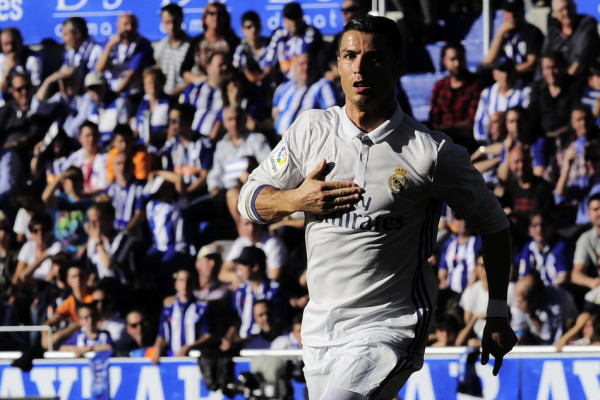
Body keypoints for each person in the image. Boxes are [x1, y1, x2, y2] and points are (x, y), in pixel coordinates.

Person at [237, 15, 517, 399]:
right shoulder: (310, 130)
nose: (360, 68)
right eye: (350, 56)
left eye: (374, 58)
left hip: (390, 326)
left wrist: (497, 310)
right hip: (320, 329)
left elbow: (494, 223)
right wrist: (297, 199)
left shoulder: (429, 152)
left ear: (398, 66)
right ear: (337, 64)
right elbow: (249, 200)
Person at [151, 268, 216, 364]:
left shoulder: (202, 308)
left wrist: (188, 347)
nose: (185, 284)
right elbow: (162, 335)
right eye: (181, 280)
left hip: (196, 359)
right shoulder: (168, 309)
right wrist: (157, 348)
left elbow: (209, 336)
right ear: (176, 284)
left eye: (189, 281)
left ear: (194, 284)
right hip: (173, 357)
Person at [429, 41, 482, 153]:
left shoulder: (476, 85)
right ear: (445, 61)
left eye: (460, 59)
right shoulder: (440, 86)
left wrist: (444, 128)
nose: (457, 64)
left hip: (466, 140)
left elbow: (472, 121)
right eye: (452, 59)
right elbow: (434, 118)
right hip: (440, 140)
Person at [481, 0, 544, 84]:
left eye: (515, 11)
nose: (512, 15)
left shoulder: (532, 32)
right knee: (482, 71)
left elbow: (531, 64)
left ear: (523, 11)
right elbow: (489, 61)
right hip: (507, 81)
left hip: (527, 80)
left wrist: (509, 73)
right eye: (508, 11)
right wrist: (500, 34)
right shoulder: (504, 33)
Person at [95, 13, 154, 97]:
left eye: (133, 25)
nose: (129, 28)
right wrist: (109, 46)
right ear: (118, 26)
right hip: (109, 89)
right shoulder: (110, 41)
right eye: (125, 24)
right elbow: (99, 69)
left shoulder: (142, 44)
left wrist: (115, 94)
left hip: (132, 92)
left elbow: (133, 73)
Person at [539, 0, 600, 80]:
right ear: (554, 13)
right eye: (561, 10)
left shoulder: (587, 24)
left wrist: (565, 83)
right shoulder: (552, 33)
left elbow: (581, 60)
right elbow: (543, 60)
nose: (566, 12)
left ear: (575, 7)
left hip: (580, 80)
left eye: (568, 7)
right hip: (555, 81)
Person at [153, 3, 191, 97]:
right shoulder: (159, 47)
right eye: (167, 22)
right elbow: (156, 73)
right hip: (163, 97)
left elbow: (193, 79)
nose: (172, 27)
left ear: (182, 19)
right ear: (162, 22)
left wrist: (174, 95)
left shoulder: (191, 47)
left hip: (185, 97)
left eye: (175, 22)